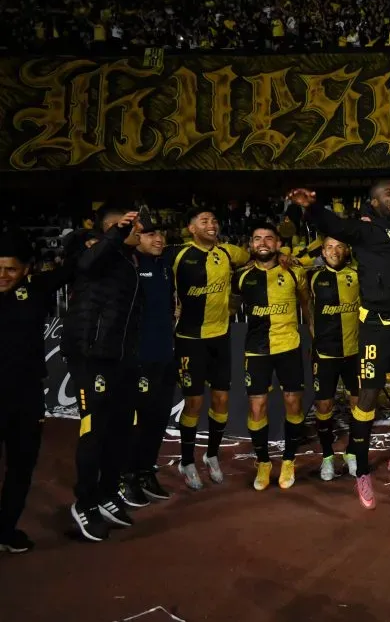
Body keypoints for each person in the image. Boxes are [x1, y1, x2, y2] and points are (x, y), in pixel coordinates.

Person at [288, 180, 390, 509]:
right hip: (375, 330)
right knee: (366, 398)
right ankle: (362, 470)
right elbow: (330, 224)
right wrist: (308, 205)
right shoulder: (362, 231)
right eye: (387, 195)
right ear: (374, 204)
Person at [62, 207, 142, 542]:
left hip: (118, 359)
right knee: (93, 431)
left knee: (120, 428)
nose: (139, 231)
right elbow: (84, 264)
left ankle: (107, 492)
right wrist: (116, 233)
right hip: (90, 356)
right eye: (132, 226)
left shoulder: (125, 261)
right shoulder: (90, 247)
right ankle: (84, 502)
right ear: (114, 227)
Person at [166, 209, 250, 490]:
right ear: (191, 228)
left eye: (214, 220)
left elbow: (250, 258)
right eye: (204, 221)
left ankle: (211, 454)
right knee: (194, 403)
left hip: (221, 337)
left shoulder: (227, 253)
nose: (211, 225)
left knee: (221, 401)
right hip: (190, 339)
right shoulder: (177, 254)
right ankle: (186, 460)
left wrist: (235, 299)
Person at [0, 232, 73, 553]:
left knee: (21, 466)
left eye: (11, 270)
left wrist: (113, 234)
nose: (2, 276)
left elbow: (76, 268)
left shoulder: (36, 290)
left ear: (27, 269)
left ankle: (5, 530)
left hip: (26, 396)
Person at [232, 224, 309, 491]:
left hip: (289, 346)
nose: (263, 243)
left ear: (278, 244)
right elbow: (230, 306)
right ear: (251, 245)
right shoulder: (241, 276)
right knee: (257, 408)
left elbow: (306, 303)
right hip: (256, 350)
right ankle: (263, 462)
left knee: (294, 405)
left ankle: (288, 460)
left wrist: (312, 331)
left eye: (268, 238)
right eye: (257, 239)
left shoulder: (293, 272)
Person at [119, 223, 176, 507]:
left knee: (157, 419)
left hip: (165, 354)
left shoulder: (165, 265)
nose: (159, 238)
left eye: (161, 234)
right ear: (136, 238)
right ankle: (124, 476)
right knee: (136, 422)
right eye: (151, 234)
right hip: (139, 357)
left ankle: (145, 472)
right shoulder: (129, 264)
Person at [309, 237, 361, 482]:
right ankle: (328, 457)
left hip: (354, 352)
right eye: (329, 247)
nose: (334, 251)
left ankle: (352, 452)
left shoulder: (358, 274)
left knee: (358, 405)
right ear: (322, 251)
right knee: (323, 407)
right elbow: (305, 306)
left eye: (340, 246)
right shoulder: (313, 277)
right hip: (325, 354)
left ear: (346, 249)